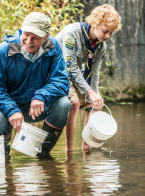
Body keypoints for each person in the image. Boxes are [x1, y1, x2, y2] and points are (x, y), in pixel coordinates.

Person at [0, 12, 71, 158]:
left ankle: (43, 153)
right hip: (9, 106)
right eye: (26, 35)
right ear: (21, 30)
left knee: (64, 103)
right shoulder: (3, 50)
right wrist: (12, 110)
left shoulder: (53, 47)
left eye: (35, 38)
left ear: (46, 36)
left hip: (38, 107)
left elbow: (62, 81)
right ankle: (3, 156)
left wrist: (41, 96)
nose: (28, 41)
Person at [55, 4, 121, 151]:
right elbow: (70, 68)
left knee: (95, 105)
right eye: (105, 31)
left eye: (111, 33)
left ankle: (87, 146)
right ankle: (69, 150)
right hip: (58, 71)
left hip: (75, 71)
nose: (107, 36)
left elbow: (94, 74)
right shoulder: (73, 33)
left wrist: (95, 96)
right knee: (75, 104)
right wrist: (89, 91)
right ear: (95, 23)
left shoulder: (101, 46)